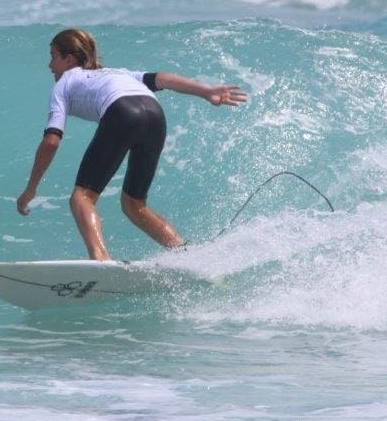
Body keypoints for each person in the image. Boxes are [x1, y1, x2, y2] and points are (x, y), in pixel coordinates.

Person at [15, 28, 247, 260]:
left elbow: (51, 141)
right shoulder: (116, 72)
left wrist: (31, 188)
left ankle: (100, 260)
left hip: (121, 113)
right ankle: (186, 255)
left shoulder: (63, 84)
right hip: (155, 114)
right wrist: (206, 91)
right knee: (134, 205)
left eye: (54, 56)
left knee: (81, 197)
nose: (50, 65)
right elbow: (161, 79)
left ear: (70, 59)